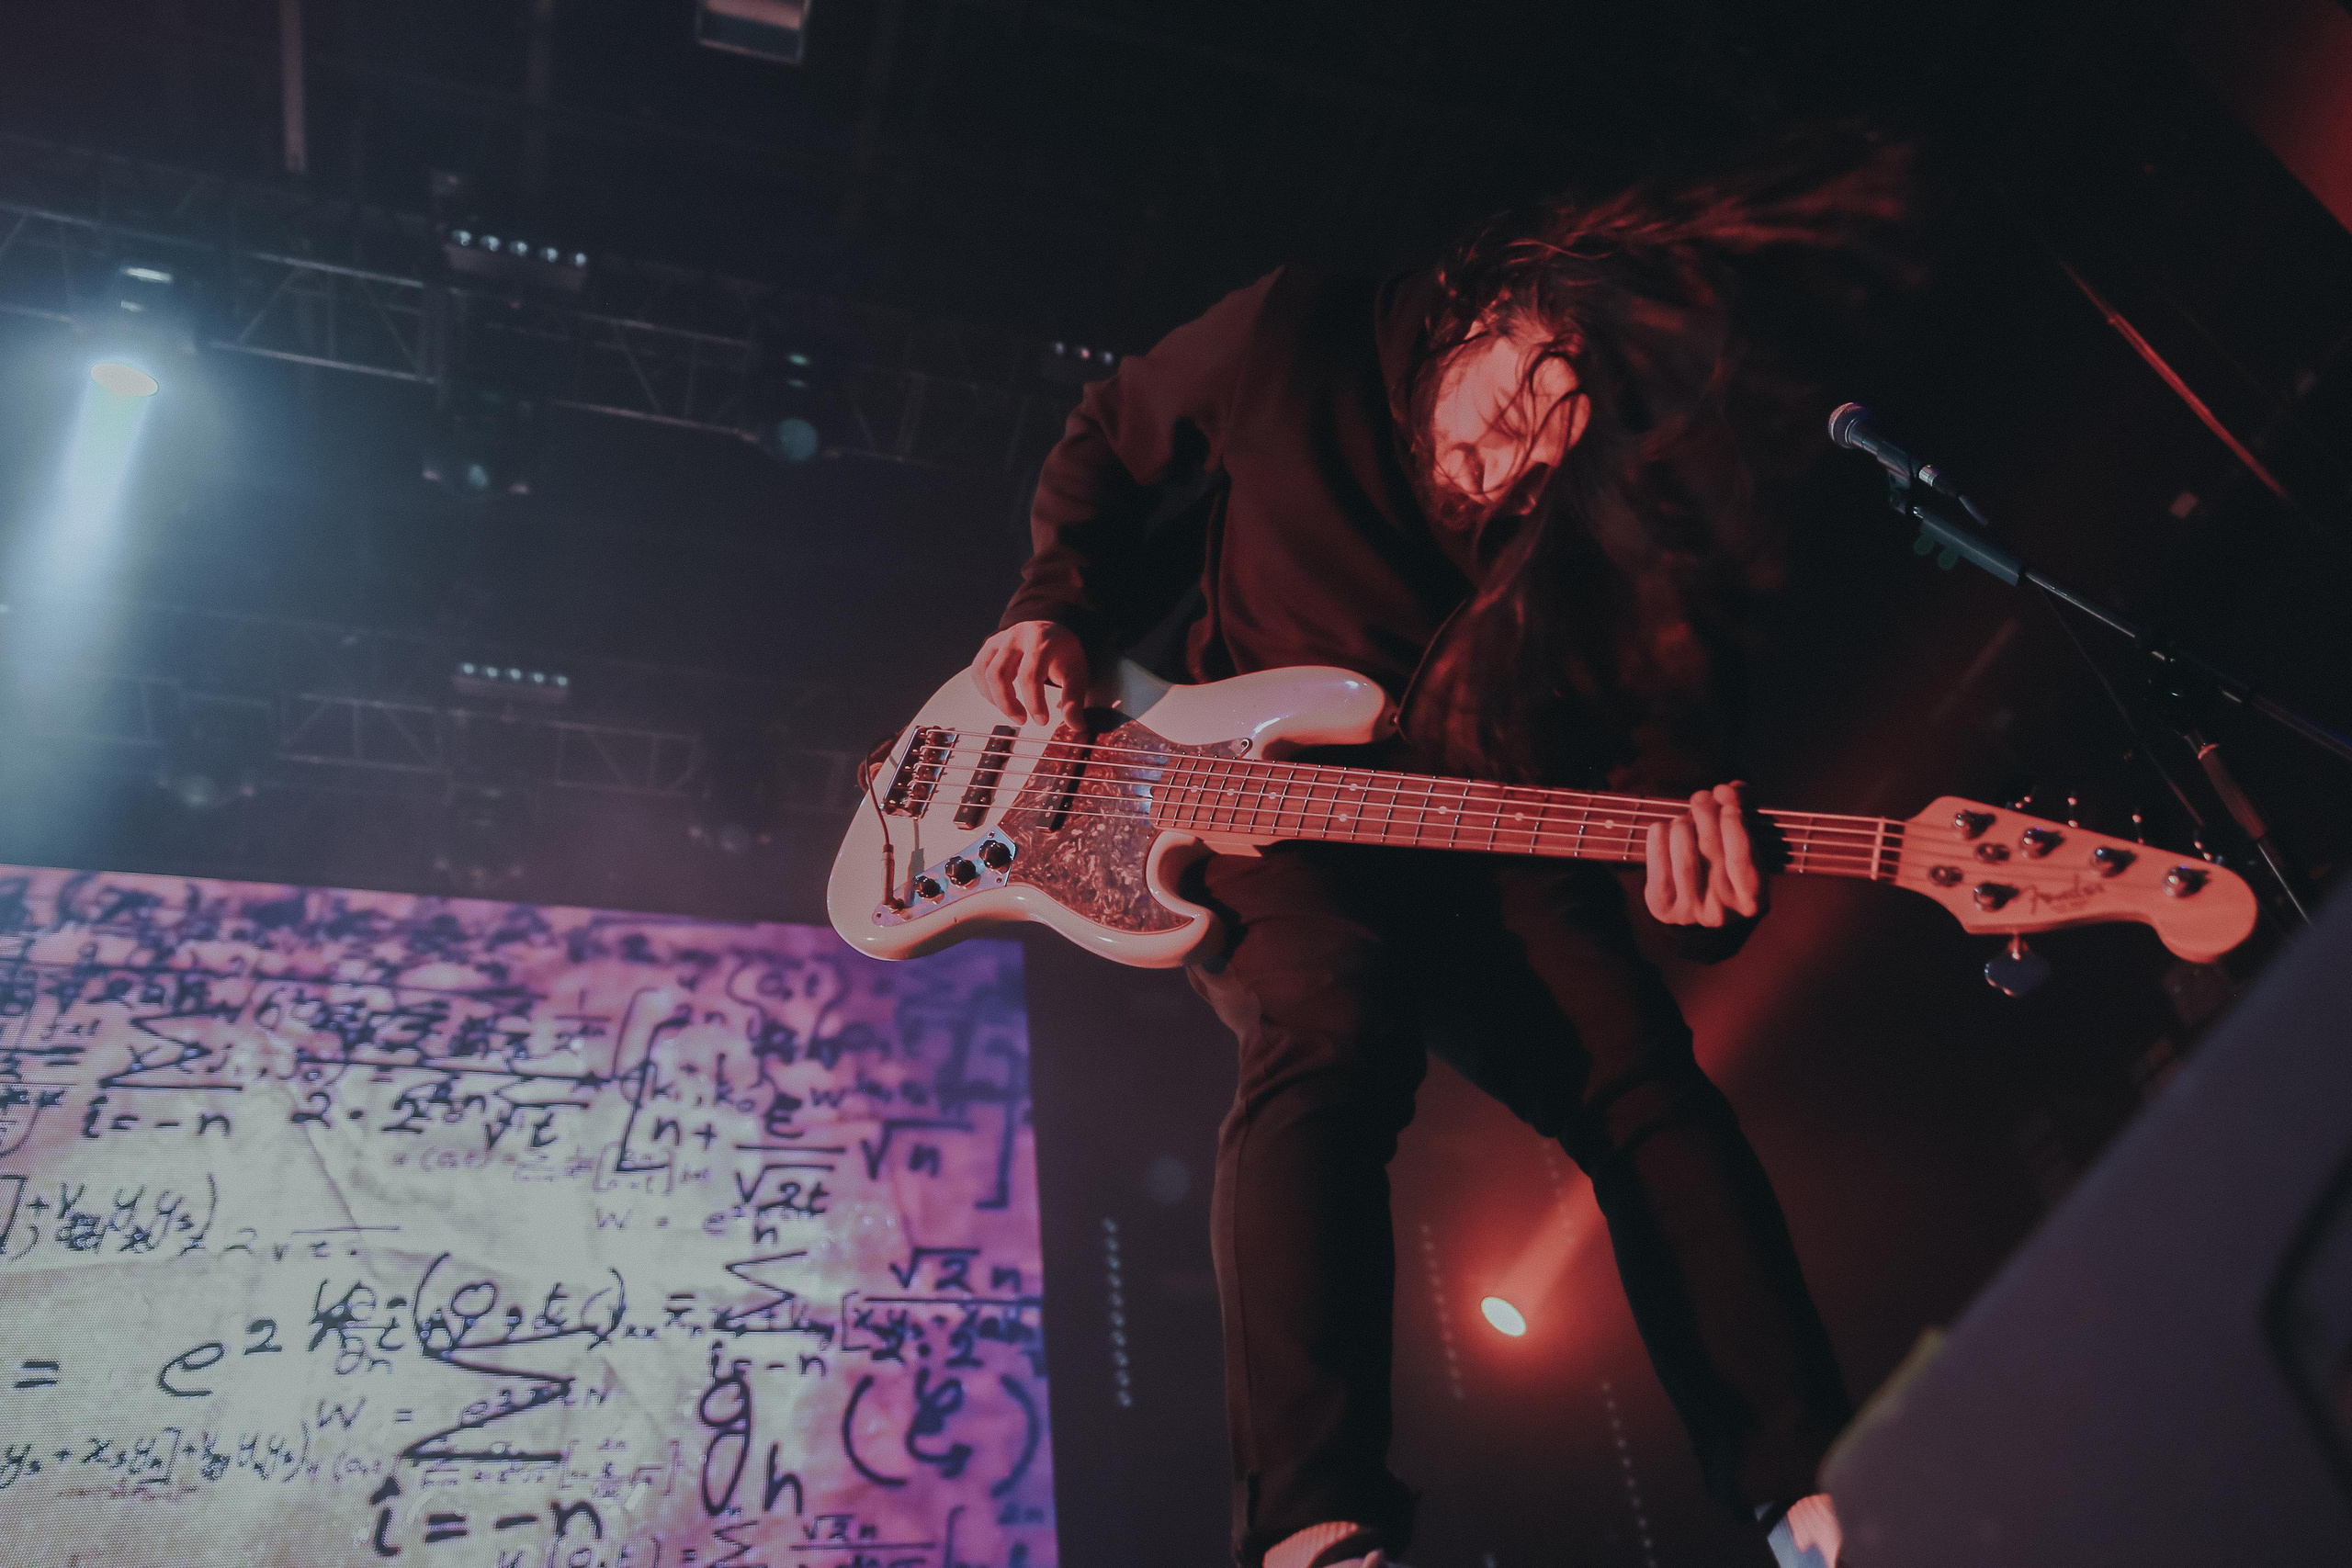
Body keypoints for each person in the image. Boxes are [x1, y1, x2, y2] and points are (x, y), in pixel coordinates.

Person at [970, 149, 1906, 1568]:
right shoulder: (1298, 330)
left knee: (1645, 1084)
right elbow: (1112, 432)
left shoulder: (1618, 522)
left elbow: (1665, 758)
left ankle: (1810, 1495)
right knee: (1330, 1022)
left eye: (1560, 445)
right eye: (1517, 407)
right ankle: (1314, 1522)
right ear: (1484, 307)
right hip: (1259, 801)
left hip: (1494, 834)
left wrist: (1703, 896)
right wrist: (1053, 603)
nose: (1515, 466)